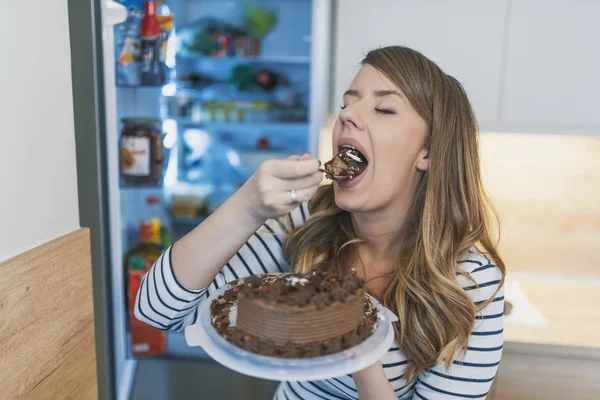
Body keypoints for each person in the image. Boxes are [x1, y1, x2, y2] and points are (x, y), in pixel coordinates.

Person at [135, 45, 505, 400]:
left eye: (383, 109)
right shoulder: (309, 219)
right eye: (348, 103)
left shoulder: (470, 281)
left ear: (428, 151)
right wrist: (247, 207)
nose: (347, 115)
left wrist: (359, 349)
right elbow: (156, 311)